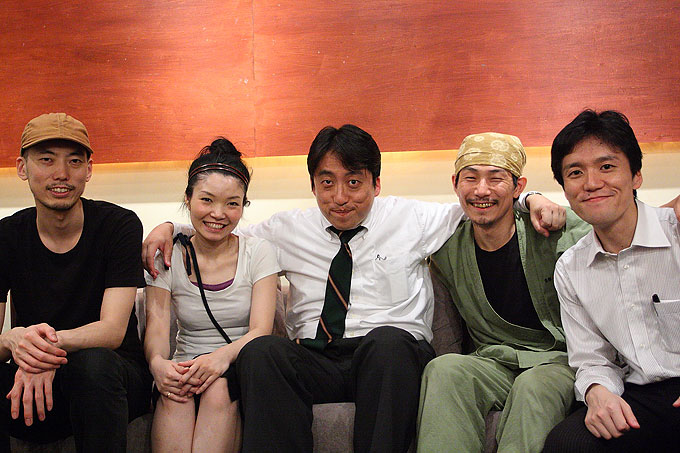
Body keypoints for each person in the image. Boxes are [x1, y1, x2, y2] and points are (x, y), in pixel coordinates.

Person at [142, 124, 565, 452]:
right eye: (327, 183)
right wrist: (170, 226)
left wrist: (534, 198)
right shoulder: (287, 230)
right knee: (263, 351)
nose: (340, 197)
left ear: (376, 184)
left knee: (388, 342)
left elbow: (483, 202)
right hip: (317, 358)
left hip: (389, 359)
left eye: (354, 182)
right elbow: (222, 227)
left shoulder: (413, 218)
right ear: (313, 186)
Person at [416, 132, 591, 453]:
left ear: (518, 187)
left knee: (533, 385)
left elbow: (613, 228)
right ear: (455, 183)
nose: (481, 190)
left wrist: (537, 200)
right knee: (445, 369)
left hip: (557, 362)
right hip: (493, 362)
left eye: (496, 178)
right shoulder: (446, 246)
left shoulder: (554, 229)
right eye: (470, 178)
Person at [0, 113, 151, 452]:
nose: (61, 174)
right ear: (22, 168)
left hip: (111, 378)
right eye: (46, 160)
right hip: (37, 383)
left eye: (74, 161)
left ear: (89, 170)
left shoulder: (119, 225)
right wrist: (13, 340)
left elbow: (112, 331)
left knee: (93, 364)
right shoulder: (6, 235)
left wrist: (40, 350)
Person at [542, 110, 680, 452]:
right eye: (575, 172)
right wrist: (597, 392)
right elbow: (592, 358)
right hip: (641, 395)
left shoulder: (676, 232)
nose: (591, 183)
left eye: (606, 166)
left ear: (636, 176)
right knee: (567, 444)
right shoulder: (571, 268)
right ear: (565, 189)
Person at [143, 138, 280, 453]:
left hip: (237, 365)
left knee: (219, 389)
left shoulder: (258, 252)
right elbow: (158, 325)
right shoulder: (167, 254)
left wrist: (220, 359)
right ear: (188, 198)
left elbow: (261, 330)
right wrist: (158, 364)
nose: (218, 214)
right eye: (207, 200)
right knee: (175, 393)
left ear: (243, 206)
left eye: (232, 203)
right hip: (184, 367)